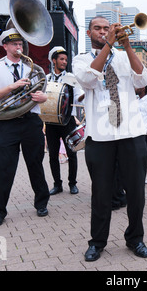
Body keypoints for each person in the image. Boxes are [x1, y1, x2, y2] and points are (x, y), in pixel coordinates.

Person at [73, 15, 147, 261]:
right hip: (100, 134)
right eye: (98, 28)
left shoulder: (124, 56)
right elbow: (87, 79)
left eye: (107, 28)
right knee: (101, 193)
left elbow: (143, 79)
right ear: (89, 33)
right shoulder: (82, 59)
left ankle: (135, 238)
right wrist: (108, 45)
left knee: (137, 192)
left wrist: (127, 46)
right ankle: (97, 242)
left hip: (131, 132)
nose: (104, 31)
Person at [0, 28, 50, 226]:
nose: (18, 47)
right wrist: (12, 87)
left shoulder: (33, 68)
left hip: (31, 121)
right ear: (5, 46)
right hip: (8, 122)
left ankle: (41, 203)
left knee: (35, 164)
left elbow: (44, 93)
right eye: (14, 44)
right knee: (4, 167)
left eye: (20, 44)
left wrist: (44, 97)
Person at [45, 46, 83, 195]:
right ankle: (57, 184)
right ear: (54, 60)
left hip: (68, 121)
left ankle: (72, 183)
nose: (64, 62)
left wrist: (85, 95)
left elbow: (79, 97)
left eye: (66, 60)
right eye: (61, 59)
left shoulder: (71, 78)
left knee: (72, 153)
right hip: (51, 122)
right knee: (53, 155)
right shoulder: (46, 79)